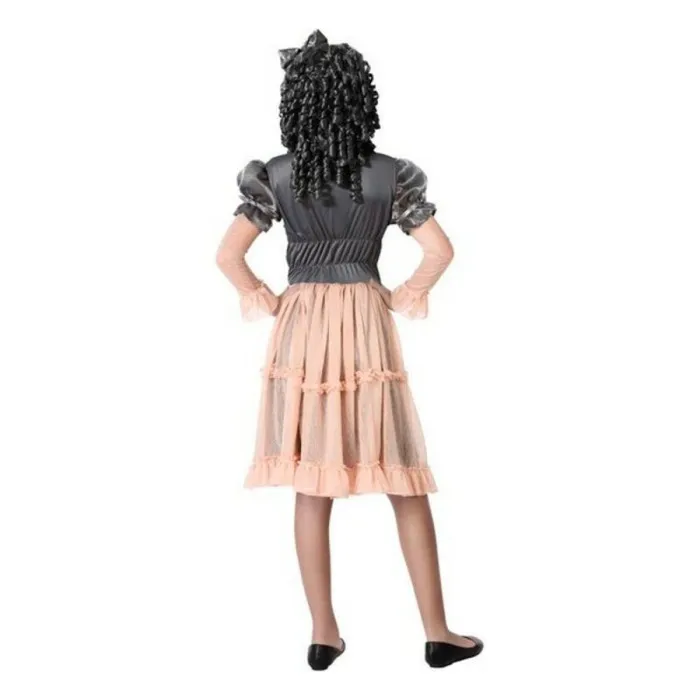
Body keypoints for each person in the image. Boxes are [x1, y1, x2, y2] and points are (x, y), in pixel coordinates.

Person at [216, 29, 483, 670]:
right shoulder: (390, 175)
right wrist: (401, 295)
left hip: (303, 324)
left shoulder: (277, 176)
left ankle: (323, 632)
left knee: (312, 480)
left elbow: (227, 255)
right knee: (402, 474)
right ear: (360, 99)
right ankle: (437, 631)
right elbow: (440, 251)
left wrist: (268, 298)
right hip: (365, 320)